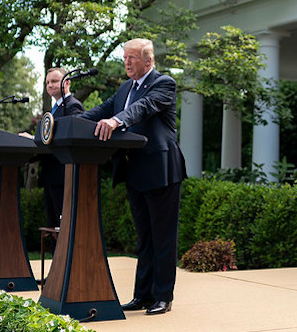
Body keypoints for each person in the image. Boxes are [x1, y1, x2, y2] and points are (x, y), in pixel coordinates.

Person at [80, 38, 186, 316]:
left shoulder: (164, 84)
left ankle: (163, 296)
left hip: (162, 169)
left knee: (162, 236)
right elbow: (98, 112)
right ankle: (142, 295)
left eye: (132, 58)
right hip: (134, 170)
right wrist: (59, 124)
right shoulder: (124, 88)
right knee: (144, 238)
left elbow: (142, 108)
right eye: (125, 57)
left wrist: (117, 121)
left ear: (148, 61)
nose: (126, 62)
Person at [38, 68, 84, 228]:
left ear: (67, 82)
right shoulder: (54, 109)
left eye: (54, 81)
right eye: (47, 82)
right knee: (52, 225)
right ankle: (55, 254)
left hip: (63, 174)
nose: (50, 85)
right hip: (51, 174)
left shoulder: (73, 106)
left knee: (62, 225)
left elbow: (71, 137)